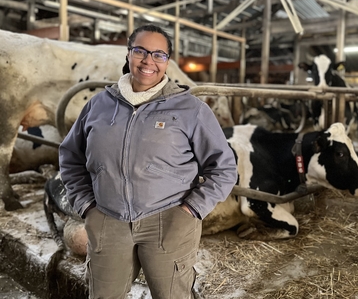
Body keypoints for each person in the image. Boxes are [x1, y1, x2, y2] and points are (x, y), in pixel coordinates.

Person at [58, 24, 238, 299]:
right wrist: (86, 205)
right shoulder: (98, 105)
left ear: (168, 61)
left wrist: (191, 209)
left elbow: (223, 168)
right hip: (108, 218)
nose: (148, 61)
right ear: (128, 54)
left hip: (170, 219)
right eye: (140, 51)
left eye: (159, 54)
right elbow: (71, 156)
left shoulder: (191, 109)